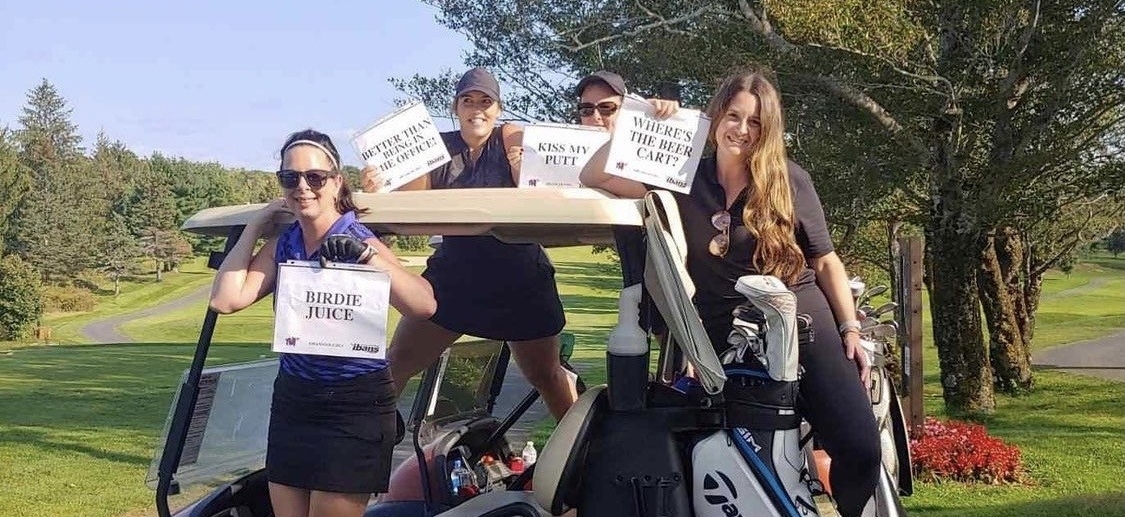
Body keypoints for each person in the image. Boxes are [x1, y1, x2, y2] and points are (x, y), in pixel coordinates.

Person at [580, 68, 881, 517]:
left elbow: (825, 261)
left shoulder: (789, 180)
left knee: (859, 447)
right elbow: (593, 175)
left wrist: (850, 327)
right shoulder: (680, 176)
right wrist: (638, 123)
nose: (741, 129)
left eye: (755, 122)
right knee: (742, 458)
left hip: (800, 321)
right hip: (726, 335)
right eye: (734, 116)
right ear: (716, 116)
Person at [209, 129, 437, 517]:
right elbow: (226, 300)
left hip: (354, 404)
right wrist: (256, 224)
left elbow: (424, 305)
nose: (302, 187)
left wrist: (366, 257)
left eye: (315, 177)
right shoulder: (286, 243)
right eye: (290, 178)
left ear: (335, 183)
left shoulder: (356, 237)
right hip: (295, 399)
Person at [362, 67, 577, 419]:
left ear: (498, 108)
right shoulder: (435, 147)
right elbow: (411, 203)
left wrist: (524, 170)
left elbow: (544, 184)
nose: (477, 109)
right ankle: (365, 444)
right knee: (394, 365)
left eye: (485, 101)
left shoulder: (511, 136)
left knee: (546, 376)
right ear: (456, 107)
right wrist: (381, 186)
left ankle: (585, 446)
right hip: (454, 279)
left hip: (520, 280)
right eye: (468, 101)